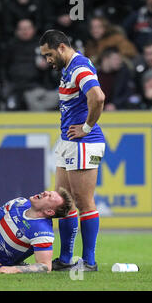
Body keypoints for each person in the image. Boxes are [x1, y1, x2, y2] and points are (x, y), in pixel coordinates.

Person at [40, 29, 106, 272]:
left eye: (48, 54)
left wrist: (87, 127)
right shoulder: (69, 68)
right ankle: (66, 259)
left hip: (85, 143)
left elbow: (98, 97)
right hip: (69, 142)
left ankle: (89, 261)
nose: (47, 60)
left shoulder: (79, 66)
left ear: (60, 47)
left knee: (83, 201)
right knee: (63, 202)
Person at [0, 189, 73, 273]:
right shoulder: (19, 202)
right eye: (48, 192)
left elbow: (45, 266)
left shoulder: (43, 232)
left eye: (49, 197)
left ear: (49, 211)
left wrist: (15, 269)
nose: (45, 193)